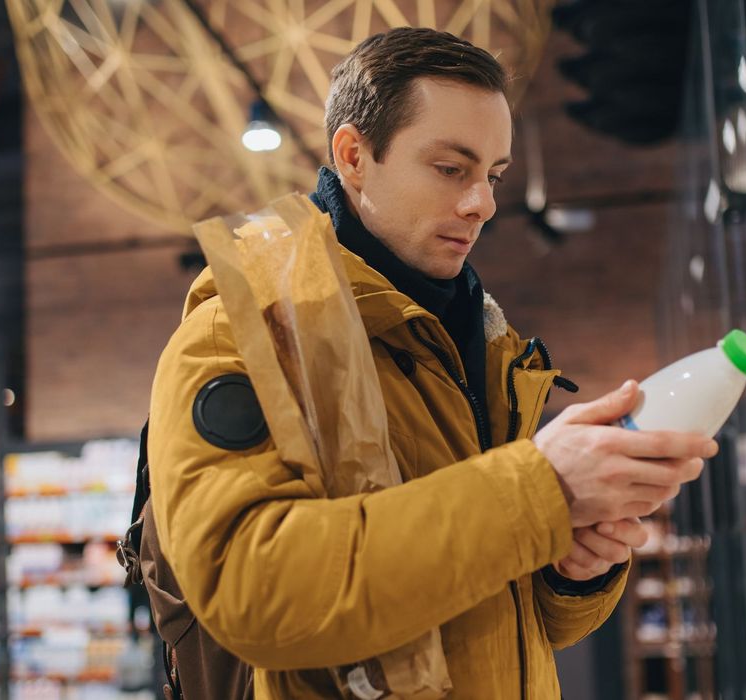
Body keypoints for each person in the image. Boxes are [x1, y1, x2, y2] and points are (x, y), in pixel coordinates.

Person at [142, 26, 717, 699]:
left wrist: (569, 568)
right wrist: (538, 492)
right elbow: (251, 591)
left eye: (493, 175)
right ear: (353, 155)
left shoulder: (487, 348)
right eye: (450, 169)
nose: (483, 203)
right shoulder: (242, 334)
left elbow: (505, 617)